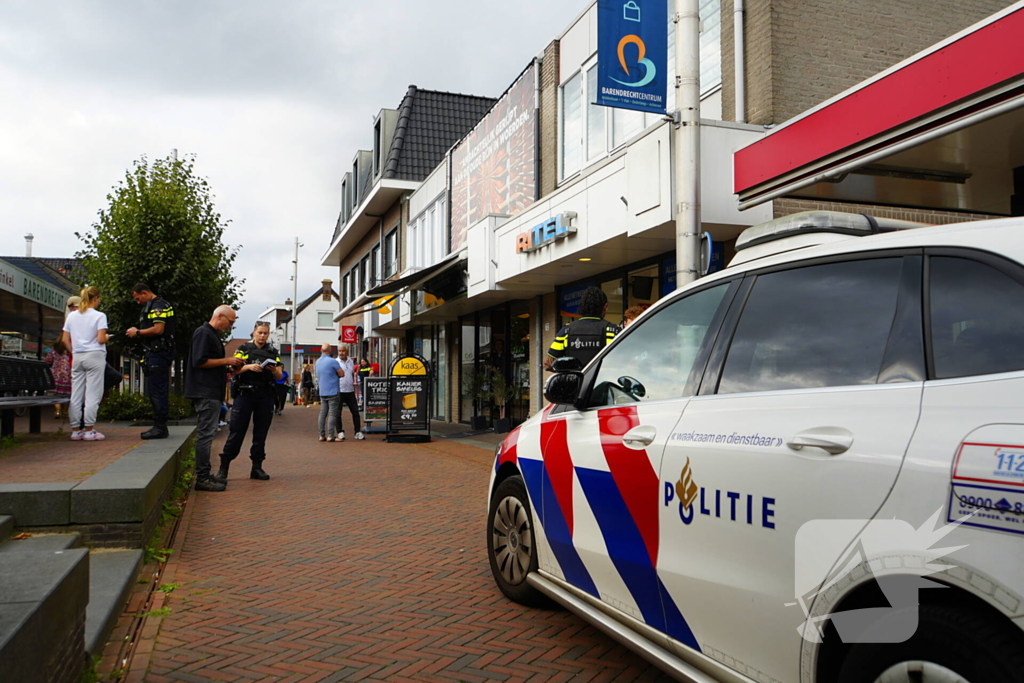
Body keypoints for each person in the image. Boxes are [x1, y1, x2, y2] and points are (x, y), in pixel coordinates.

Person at [184, 306, 244, 492]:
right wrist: (227, 361)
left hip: (210, 392)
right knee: (205, 435)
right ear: (220, 316)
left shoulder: (211, 334)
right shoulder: (204, 333)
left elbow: (208, 363)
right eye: (230, 321)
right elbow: (199, 361)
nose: (231, 326)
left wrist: (227, 368)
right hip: (205, 392)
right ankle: (202, 478)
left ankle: (205, 474)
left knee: (207, 434)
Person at [216, 321, 282, 481]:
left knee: (261, 432)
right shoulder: (244, 349)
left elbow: (280, 375)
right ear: (254, 332)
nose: (263, 336)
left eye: (266, 333)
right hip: (245, 394)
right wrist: (249, 367)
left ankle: (257, 467)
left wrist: (274, 370)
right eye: (260, 332)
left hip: (264, 395)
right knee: (237, 430)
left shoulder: (272, 351)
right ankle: (224, 467)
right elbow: (233, 370)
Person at [125, 284, 175, 440]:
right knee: (156, 389)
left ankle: (160, 427)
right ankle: (159, 425)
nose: (137, 301)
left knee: (157, 390)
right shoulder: (159, 304)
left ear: (144, 293)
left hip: (159, 352)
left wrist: (137, 332)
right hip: (158, 352)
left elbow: (158, 329)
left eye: (137, 297)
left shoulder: (157, 306)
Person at [62, 286, 109, 441]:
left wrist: (74, 351)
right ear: (95, 298)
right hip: (95, 355)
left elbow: (64, 340)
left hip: (78, 356)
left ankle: (76, 430)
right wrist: (108, 337)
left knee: (76, 394)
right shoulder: (99, 316)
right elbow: (101, 339)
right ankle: (89, 430)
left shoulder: (72, 316)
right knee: (92, 394)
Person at [544, 286, 619, 371]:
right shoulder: (613, 331)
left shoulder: (567, 330)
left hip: (575, 382)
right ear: (605, 307)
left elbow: (548, 363)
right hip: (601, 381)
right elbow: (625, 359)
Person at [315, 343, 345, 442]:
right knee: (332, 414)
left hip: (322, 391)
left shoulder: (317, 362)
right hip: (333, 391)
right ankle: (330, 435)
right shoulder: (333, 361)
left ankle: (321, 435)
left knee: (322, 413)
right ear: (330, 350)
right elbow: (342, 373)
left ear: (321, 350)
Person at [334, 346, 364, 441]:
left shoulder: (351, 361)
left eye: (343, 351)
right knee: (338, 413)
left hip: (350, 390)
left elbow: (352, 374)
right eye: (339, 351)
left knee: (355, 412)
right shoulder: (335, 362)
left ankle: (357, 432)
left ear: (346, 351)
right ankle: (340, 432)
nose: (341, 353)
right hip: (339, 391)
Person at [45, 335, 72, 419]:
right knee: (67, 393)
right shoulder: (70, 349)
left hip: (55, 375)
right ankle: (65, 411)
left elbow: (47, 360)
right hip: (68, 374)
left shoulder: (54, 350)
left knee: (56, 393)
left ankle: (58, 410)